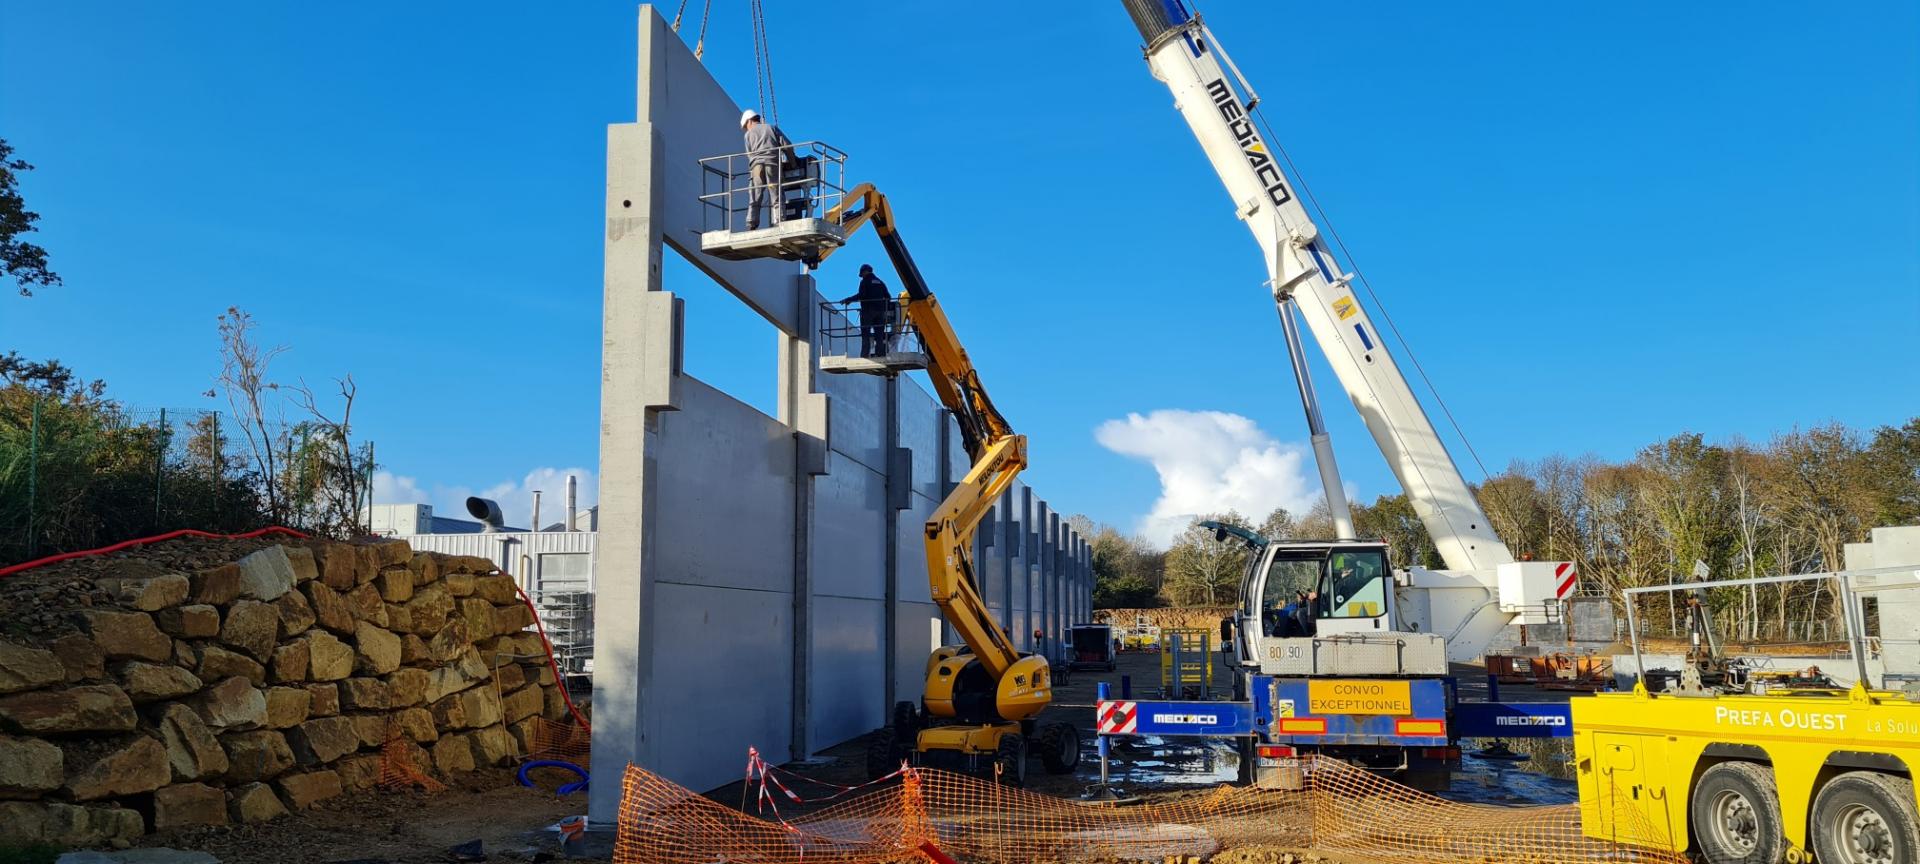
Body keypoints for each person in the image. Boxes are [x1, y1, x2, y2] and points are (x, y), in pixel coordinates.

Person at [740, 110, 790, 230]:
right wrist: (792, 163)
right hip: (772, 164)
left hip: (756, 167)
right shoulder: (771, 128)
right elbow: (787, 145)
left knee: (755, 195)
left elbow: (750, 155)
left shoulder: (748, 135)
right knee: (776, 193)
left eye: (746, 126)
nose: (747, 128)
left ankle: (751, 223)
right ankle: (780, 221)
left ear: (750, 121)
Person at [840, 264, 894, 357]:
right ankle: (880, 354)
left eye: (862, 274)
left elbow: (861, 295)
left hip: (868, 312)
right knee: (879, 335)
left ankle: (864, 354)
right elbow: (888, 297)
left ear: (864, 272)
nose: (862, 276)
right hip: (880, 313)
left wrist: (848, 300)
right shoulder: (880, 282)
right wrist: (883, 309)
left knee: (866, 334)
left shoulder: (865, 282)